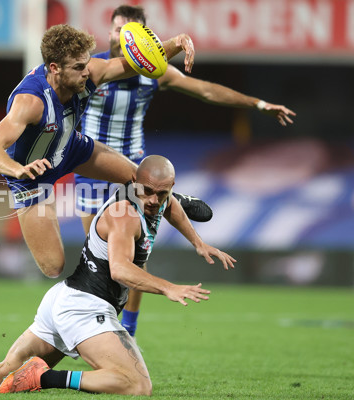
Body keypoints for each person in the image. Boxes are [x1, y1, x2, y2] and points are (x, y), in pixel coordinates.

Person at [0, 155, 236, 395]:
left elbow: (172, 209)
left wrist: (199, 244)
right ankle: (44, 378)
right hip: (85, 307)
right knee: (136, 386)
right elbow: (121, 270)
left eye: (164, 193)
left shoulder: (155, 200)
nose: (156, 200)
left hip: (64, 300)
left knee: (0, 376)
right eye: (150, 192)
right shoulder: (125, 215)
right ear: (135, 183)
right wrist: (169, 288)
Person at [75, 5, 297, 338]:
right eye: (118, 30)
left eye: (130, 31)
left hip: (133, 173)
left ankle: (128, 332)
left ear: (143, 38)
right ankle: (101, 323)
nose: (123, 36)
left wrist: (258, 105)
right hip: (91, 169)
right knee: (99, 254)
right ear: (109, 33)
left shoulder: (155, 73)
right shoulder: (92, 70)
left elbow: (206, 90)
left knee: (135, 253)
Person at [0, 23, 204, 280]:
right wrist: (18, 169)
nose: (87, 72)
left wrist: (175, 42)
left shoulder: (89, 72)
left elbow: (136, 62)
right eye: (78, 67)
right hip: (32, 176)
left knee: (140, 178)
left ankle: (177, 200)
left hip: (69, 147)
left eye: (86, 63)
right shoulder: (30, 102)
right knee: (53, 267)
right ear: (54, 69)